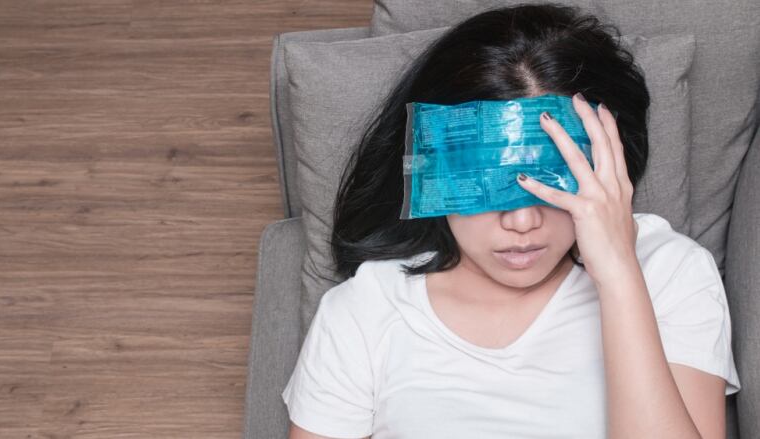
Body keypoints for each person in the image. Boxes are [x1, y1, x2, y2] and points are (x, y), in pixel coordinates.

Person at [282, 3, 741, 438]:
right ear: (430, 167)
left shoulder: (669, 272)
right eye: (489, 186)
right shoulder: (365, 309)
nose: (522, 222)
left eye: (554, 180)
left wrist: (619, 275)